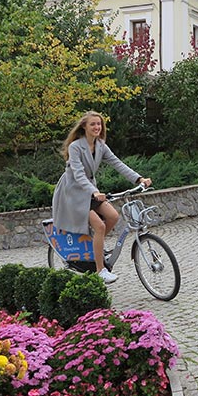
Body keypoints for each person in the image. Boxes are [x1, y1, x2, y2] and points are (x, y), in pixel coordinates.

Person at [52, 111, 151, 283]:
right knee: (99, 226)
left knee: (113, 216)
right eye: (93, 124)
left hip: (90, 191)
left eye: (99, 124)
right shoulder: (75, 147)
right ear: (84, 126)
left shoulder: (100, 146)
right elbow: (78, 174)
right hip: (73, 193)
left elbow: (118, 163)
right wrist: (94, 192)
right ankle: (100, 270)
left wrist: (138, 178)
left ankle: (95, 248)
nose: (97, 127)